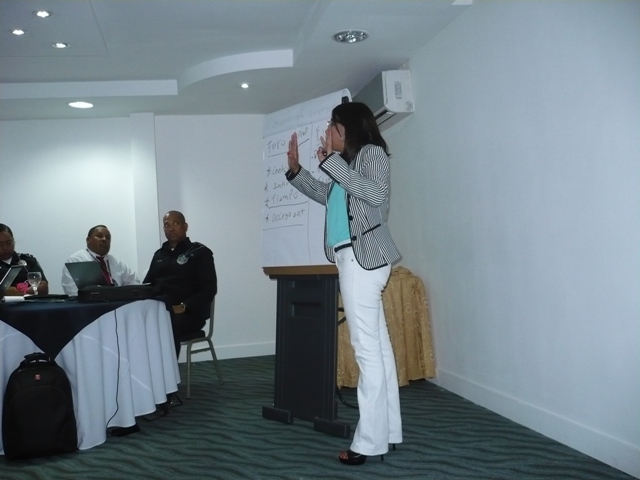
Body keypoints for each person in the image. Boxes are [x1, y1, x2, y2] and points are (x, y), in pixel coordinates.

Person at [286, 102, 402, 465]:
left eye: (331, 126)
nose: (326, 132)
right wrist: (297, 172)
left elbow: (376, 194)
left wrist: (332, 162)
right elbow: (328, 195)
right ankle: (388, 431)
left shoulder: (371, 153)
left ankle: (368, 442)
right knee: (378, 349)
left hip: (361, 259)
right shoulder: (347, 166)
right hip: (353, 259)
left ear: (346, 129)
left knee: (367, 351)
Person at [143, 211, 217, 357]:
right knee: (135, 323)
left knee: (166, 325)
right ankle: (146, 369)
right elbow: (148, 285)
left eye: (176, 223)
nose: (171, 228)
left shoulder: (200, 253)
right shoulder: (159, 255)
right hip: (161, 310)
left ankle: (168, 370)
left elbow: (209, 289)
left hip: (188, 313)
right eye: (167, 225)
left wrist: (184, 306)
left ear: (185, 226)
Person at [61, 225, 140, 296]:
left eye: (108, 238)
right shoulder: (76, 260)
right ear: (88, 240)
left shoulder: (118, 263)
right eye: (99, 236)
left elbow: (134, 283)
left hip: (117, 304)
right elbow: (72, 291)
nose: (104, 239)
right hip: (89, 306)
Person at [0, 223, 49, 296]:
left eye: (9, 243)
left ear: (13, 241)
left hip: (29, 302)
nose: (5, 248)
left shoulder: (28, 260)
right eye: (0, 245)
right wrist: (3, 292)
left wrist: (22, 292)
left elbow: (44, 287)